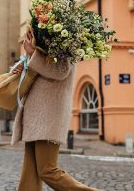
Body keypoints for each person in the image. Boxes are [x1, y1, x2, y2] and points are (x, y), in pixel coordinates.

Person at [11, 30, 99, 191]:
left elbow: (61, 71)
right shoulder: (44, 41)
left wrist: (32, 54)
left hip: (48, 116)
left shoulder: (64, 39)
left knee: (47, 169)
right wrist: (24, 63)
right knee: (30, 171)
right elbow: (36, 70)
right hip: (35, 116)